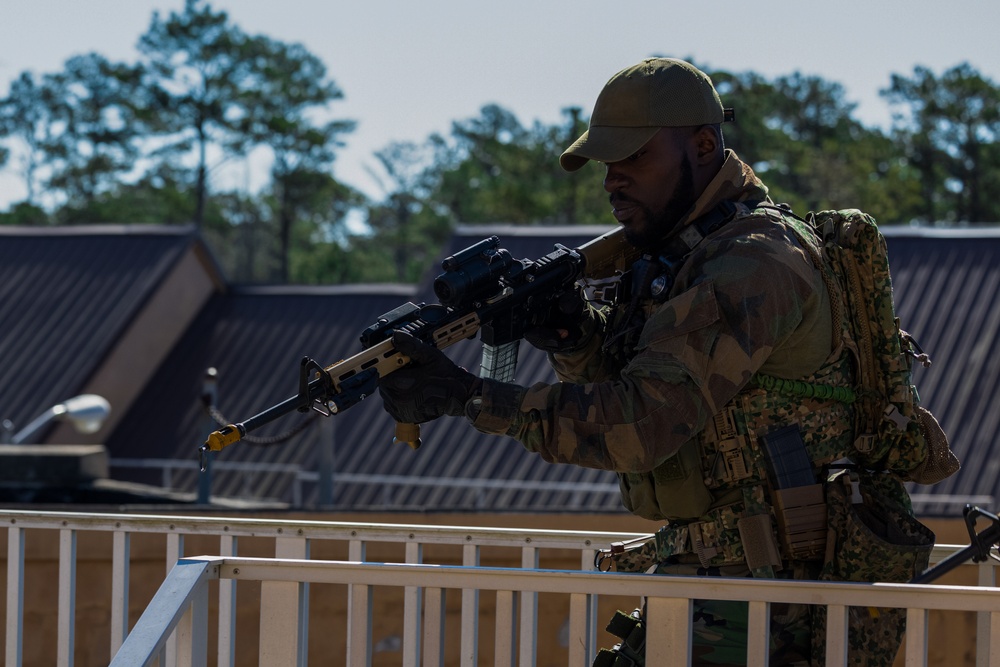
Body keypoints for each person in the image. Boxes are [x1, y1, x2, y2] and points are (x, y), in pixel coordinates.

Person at [377, 58, 891, 666]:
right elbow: (637, 386)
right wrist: (573, 336)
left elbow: (642, 424)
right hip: (713, 584)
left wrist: (469, 396)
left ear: (703, 145)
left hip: (772, 611)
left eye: (634, 158)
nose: (612, 181)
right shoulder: (679, 256)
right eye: (606, 164)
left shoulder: (755, 262)